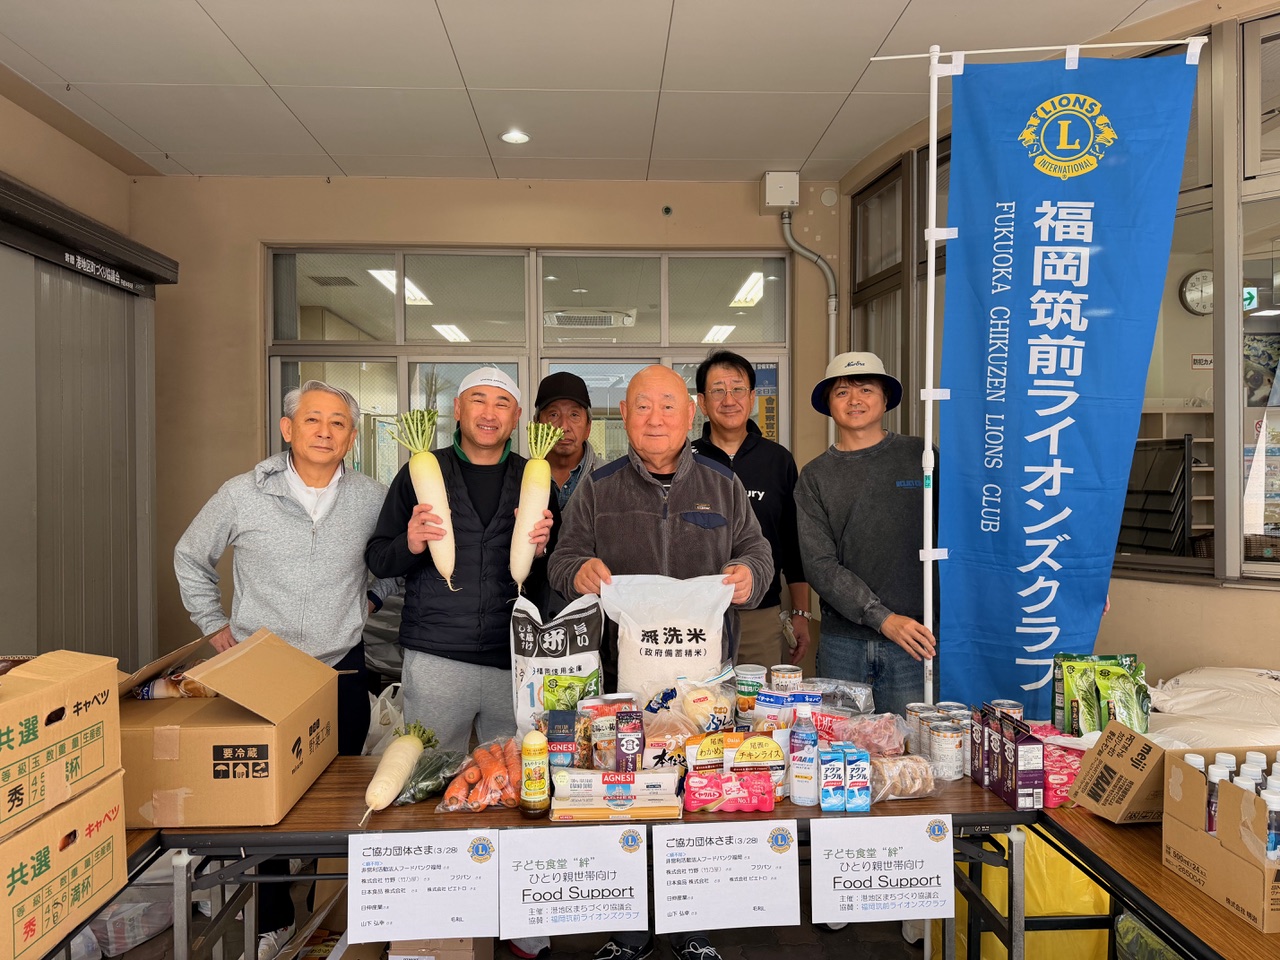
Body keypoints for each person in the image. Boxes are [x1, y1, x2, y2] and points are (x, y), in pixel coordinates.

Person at [549, 363, 772, 960]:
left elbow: (758, 551)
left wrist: (750, 574)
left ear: (690, 414)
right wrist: (578, 571)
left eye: (668, 406)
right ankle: (629, 932)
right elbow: (561, 559)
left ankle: (691, 926)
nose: (656, 419)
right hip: (621, 689)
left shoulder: (723, 485)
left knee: (697, 798)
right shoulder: (599, 487)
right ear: (623, 415)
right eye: (642, 406)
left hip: (705, 690)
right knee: (625, 802)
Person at [173, 379, 395, 959]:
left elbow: (396, 561)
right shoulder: (243, 493)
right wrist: (213, 624)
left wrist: (369, 602)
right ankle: (273, 920)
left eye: (338, 423)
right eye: (313, 420)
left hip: (340, 667)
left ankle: (333, 916)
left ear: (352, 438)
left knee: (340, 796)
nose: (325, 431)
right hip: (262, 670)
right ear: (287, 428)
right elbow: (191, 555)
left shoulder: (372, 498)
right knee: (263, 800)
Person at [364, 367, 555, 755]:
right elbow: (379, 559)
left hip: (514, 659)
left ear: (517, 416)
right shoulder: (419, 473)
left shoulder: (535, 477)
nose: (489, 413)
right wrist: (410, 543)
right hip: (436, 658)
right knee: (429, 771)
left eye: (502, 404)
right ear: (457, 408)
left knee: (509, 774)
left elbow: (557, 571)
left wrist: (541, 552)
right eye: (478, 400)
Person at [794, 352, 938, 720]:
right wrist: (883, 618)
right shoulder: (815, 476)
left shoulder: (921, 457)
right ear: (829, 405)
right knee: (840, 744)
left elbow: (963, 532)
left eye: (866, 389)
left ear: (885, 399)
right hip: (843, 643)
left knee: (912, 748)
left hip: (916, 640)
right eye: (842, 392)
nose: (854, 400)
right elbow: (820, 566)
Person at [691, 350, 811, 668]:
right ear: (702, 402)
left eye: (738, 389)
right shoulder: (685, 460)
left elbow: (793, 543)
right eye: (718, 390)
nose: (729, 399)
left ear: (753, 397)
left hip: (760, 613)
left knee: (757, 699)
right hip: (696, 615)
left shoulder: (778, 460)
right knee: (697, 698)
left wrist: (801, 612)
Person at [534, 371, 598, 508]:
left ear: (588, 427)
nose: (563, 427)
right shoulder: (518, 477)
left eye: (574, 415)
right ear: (537, 425)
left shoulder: (609, 477)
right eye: (553, 415)